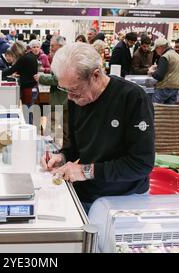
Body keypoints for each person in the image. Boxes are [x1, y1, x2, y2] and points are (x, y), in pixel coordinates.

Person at [41, 42, 155, 213]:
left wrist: (85, 171)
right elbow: (76, 147)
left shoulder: (132, 97)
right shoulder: (76, 100)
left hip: (125, 200)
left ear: (95, 75)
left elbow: (141, 164)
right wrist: (62, 157)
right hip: (86, 193)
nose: (70, 97)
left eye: (74, 89)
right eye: (65, 90)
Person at [34, 35, 69, 148]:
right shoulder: (64, 57)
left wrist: (42, 78)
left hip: (60, 99)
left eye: (52, 46)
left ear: (60, 46)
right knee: (62, 129)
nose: (50, 48)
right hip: (63, 99)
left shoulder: (63, 59)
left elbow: (58, 79)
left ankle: (53, 152)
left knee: (54, 128)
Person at [148, 38, 179, 104]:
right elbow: (171, 69)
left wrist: (151, 72)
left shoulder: (165, 57)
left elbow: (159, 76)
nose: (156, 51)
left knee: (156, 110)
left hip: (164, 88)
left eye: (156, 49)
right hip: (176, 87)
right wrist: (158, 66)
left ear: (161, 47)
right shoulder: (177, 55)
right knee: (169, 112)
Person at [2, 41, 38, 106]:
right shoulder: (30, 55)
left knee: (27, 110)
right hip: (33, 86)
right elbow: (25, 70)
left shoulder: (23, 58)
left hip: (28, 88)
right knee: (29, 109)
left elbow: (11, 70)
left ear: (16, 52)